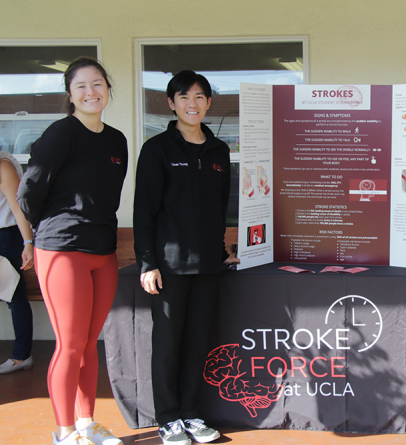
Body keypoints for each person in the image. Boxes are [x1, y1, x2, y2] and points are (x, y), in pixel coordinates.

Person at [17, 56, 128, 445]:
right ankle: (64, 432)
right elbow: (29, 191)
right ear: (70, 93)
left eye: (97, 84)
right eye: (81, 86)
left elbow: (107, 197)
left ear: (108, 90)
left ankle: (86, 423)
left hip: (104, 251)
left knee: (89, 341)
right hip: (62, 251)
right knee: (69, 344)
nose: (90, 92)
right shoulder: (60, 134)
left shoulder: (117, 140)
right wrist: (49, 227)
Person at [133, 70, 240, 445]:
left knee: (197, 344)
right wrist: (147, 261)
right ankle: (167, 419)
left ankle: (191, 415)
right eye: (183, 97)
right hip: (168, 266)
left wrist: (223, 251)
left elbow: (219, 207)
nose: (191, 104)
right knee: (167, 346)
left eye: (199, 97)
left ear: (209, 103)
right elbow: (143, 211)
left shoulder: (219, 151)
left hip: (208, 266)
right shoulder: (157, 149)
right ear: (171, 103)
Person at [0, 150, 34, 375]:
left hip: (6, 237)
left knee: (14, 296)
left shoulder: (3, 165)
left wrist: (28, 242)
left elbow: (18, 207)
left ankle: (22, 356)